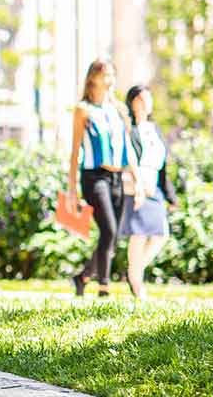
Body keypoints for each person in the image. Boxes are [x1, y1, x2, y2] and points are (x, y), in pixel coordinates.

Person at [67, 59, 145, 297]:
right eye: (105, 75)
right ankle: (104, 288)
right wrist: (72, 190)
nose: (110, 80)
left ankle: (82, 278)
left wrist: (138, 180)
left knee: (113, 234)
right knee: (109, 230)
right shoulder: (84, 109)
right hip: (93, 177)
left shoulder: (118, 110)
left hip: (116, 177)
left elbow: (128, 149)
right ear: (93, 78)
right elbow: (75, 149)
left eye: (113, 75)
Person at [120, 85, 178, 299]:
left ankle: (134, 273)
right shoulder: (129, 128)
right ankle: (137, 285)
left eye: (148, 98)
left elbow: (162, 166)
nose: (146, 103)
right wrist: (137, 185)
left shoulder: (154, 129)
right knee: (139, 234)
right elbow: (129, 158)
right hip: (136, 186)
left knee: (161, 234)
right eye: (142, 99)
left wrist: (170, 196)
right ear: (133, 102)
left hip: (155, 187)